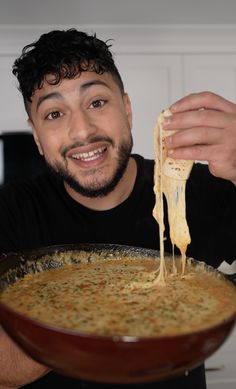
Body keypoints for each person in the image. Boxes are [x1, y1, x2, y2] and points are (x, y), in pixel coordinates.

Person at [0, 28, 235, 389]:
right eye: (54, 114)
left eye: (96, 102)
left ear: (126, 108)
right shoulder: (11, 212)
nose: (81, 131)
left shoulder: (202, 190)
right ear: (37, 137)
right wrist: (111, 303)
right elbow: (6, 370)